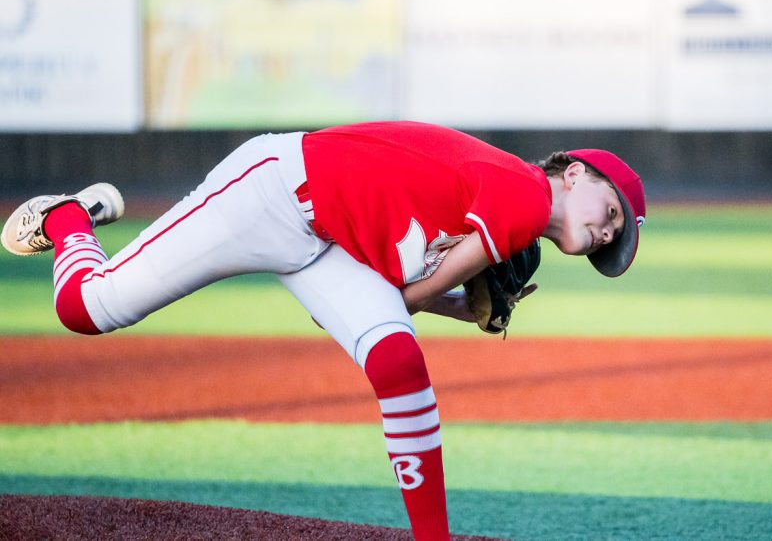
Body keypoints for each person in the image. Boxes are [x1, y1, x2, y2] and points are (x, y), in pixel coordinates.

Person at [2, 120, 646, 541]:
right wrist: (440, 301)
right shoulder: (528, 196)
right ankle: (67, 221)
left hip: (328, 242)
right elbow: (407, 295)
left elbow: (405, 287)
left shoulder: (508, 202)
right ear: (574, 172)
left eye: (611, 237)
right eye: (612, 209)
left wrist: (447, 303)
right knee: (86, 309)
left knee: (397, 361)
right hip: (271, 193)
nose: (609, 229)